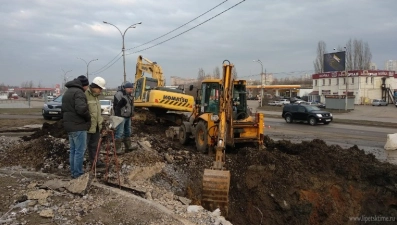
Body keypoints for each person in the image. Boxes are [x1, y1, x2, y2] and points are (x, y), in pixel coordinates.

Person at [62, 76, 91, 179]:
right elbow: (81, 109)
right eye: (87, 85)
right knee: (79, 151)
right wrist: (88, 117)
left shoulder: (68, 92)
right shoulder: (79, 93)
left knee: (74, 150)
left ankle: (74, 172)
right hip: (78, 125)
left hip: (70, 126)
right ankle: (78, 173)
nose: (87, 88)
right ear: (84, 85)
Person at [79, 76, 107, 168]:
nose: (101, 91)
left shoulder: (96, 97)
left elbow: (98, 113)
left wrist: (101, 125)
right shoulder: (85, 95)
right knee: (83, 147)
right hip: (87, 127)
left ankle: (95, 162)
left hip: (96, 127)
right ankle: (79, 165)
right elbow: (82, 111)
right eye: (100, 89)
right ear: (95, 87)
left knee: (95, 147)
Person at [113, 82, 136, 154]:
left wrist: (132, 115)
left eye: (132, 89)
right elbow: (116, 107)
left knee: (128, 131)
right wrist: (118, 116)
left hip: (128, 117)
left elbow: (131, 106)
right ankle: (117, 149)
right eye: (130, 89)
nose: (131, 90)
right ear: (125, 88)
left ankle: (128, 146)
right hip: (121, 117)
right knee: (119, 132)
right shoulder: (119, 94)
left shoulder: (130, 95)